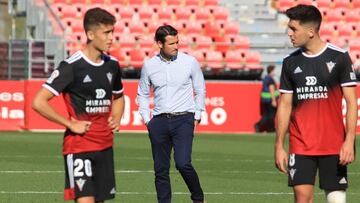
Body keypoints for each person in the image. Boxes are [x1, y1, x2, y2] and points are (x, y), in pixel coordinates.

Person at [32, 8, 125, 203]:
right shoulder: (72, 66)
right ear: (90, 35)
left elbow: (118, 96)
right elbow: (39, 101)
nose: (111, 38)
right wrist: (70, 124)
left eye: (112, 32)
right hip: (79, 146)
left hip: (105, 145)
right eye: (106, 33)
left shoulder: (113, 65)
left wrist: (116, 118)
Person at [274, 4, 358, 203]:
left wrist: (349, 141)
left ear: (311, 31)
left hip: (334, 144)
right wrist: (279, 145)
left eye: (294, 28)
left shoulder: (339, 57)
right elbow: (285, 105)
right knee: (302, 198)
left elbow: (352, 102)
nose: (289, 33)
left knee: (336, 199)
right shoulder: (289, 63)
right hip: (301, 144)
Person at [137, 25, 206, 203]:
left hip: (184, 119)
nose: (176, 46)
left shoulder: (190, 62)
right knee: (160, 170)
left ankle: (198, 198)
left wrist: (197, 115)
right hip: (158, 122)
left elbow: (200, 89)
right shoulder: (149, 65)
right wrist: (147, 120)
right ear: (159, 44)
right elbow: (143, 94)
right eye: (172, 43)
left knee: (183, 163)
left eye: (177, 42)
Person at [254, 65, 279, 132]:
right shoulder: (270, 79)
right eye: (274, 70)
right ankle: (271, 128)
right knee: (271, 115)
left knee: (266, 115)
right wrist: (274, 100)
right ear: (271, 71)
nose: (275, 72)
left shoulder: (266, 78)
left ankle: (259, 125)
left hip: (265, 100)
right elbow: (272, 89)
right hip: (270, 100)